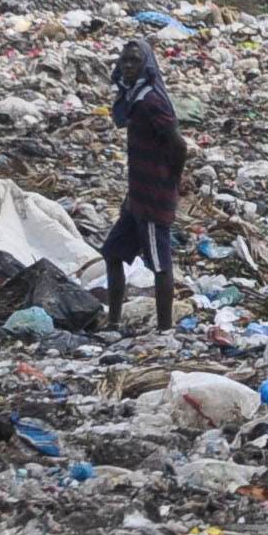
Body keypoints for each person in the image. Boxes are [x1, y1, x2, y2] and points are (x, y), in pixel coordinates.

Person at [102, 37, 188, 335]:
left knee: (160, 265)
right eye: (124, 60)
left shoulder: (151, 100)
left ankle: (165, 331)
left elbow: (178, 143)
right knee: (112, 253)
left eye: (134, 61)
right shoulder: (135, 96)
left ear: (146, 65)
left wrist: (172, 179)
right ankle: (112, 323)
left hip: (152, 197)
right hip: (136, 196)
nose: (127, 66)